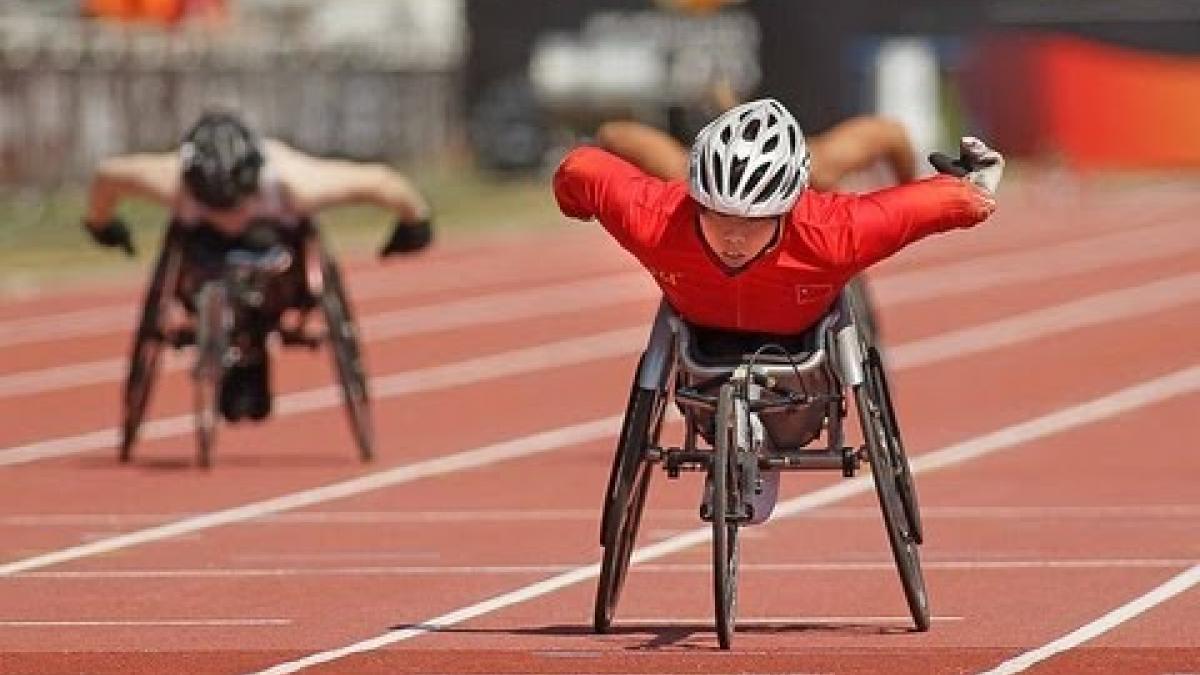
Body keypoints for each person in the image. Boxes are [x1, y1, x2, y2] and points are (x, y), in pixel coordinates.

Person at [554, 98, 1002, 522]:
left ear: (787, 206)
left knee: (830, 168)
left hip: (801, 335)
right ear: (698, 199)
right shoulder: (659, 215)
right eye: (719, 220)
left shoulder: (835, 226)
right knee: (663, 168)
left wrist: (961, 182)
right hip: (702, 326)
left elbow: (930, 174)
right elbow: (583, 166)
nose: (733, 240)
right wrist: (572, 202)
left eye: (751, 226)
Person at [83, 110, 433, 421]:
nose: (227, 215)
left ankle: (247, 356)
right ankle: (228, 348)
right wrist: (103, 225)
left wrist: (414, 223)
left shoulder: (293, 181)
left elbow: (381, 182)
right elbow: (107, 176)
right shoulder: (172, 178)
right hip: (202, 260)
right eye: (214, 203)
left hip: (275, 266)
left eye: (233, 202)